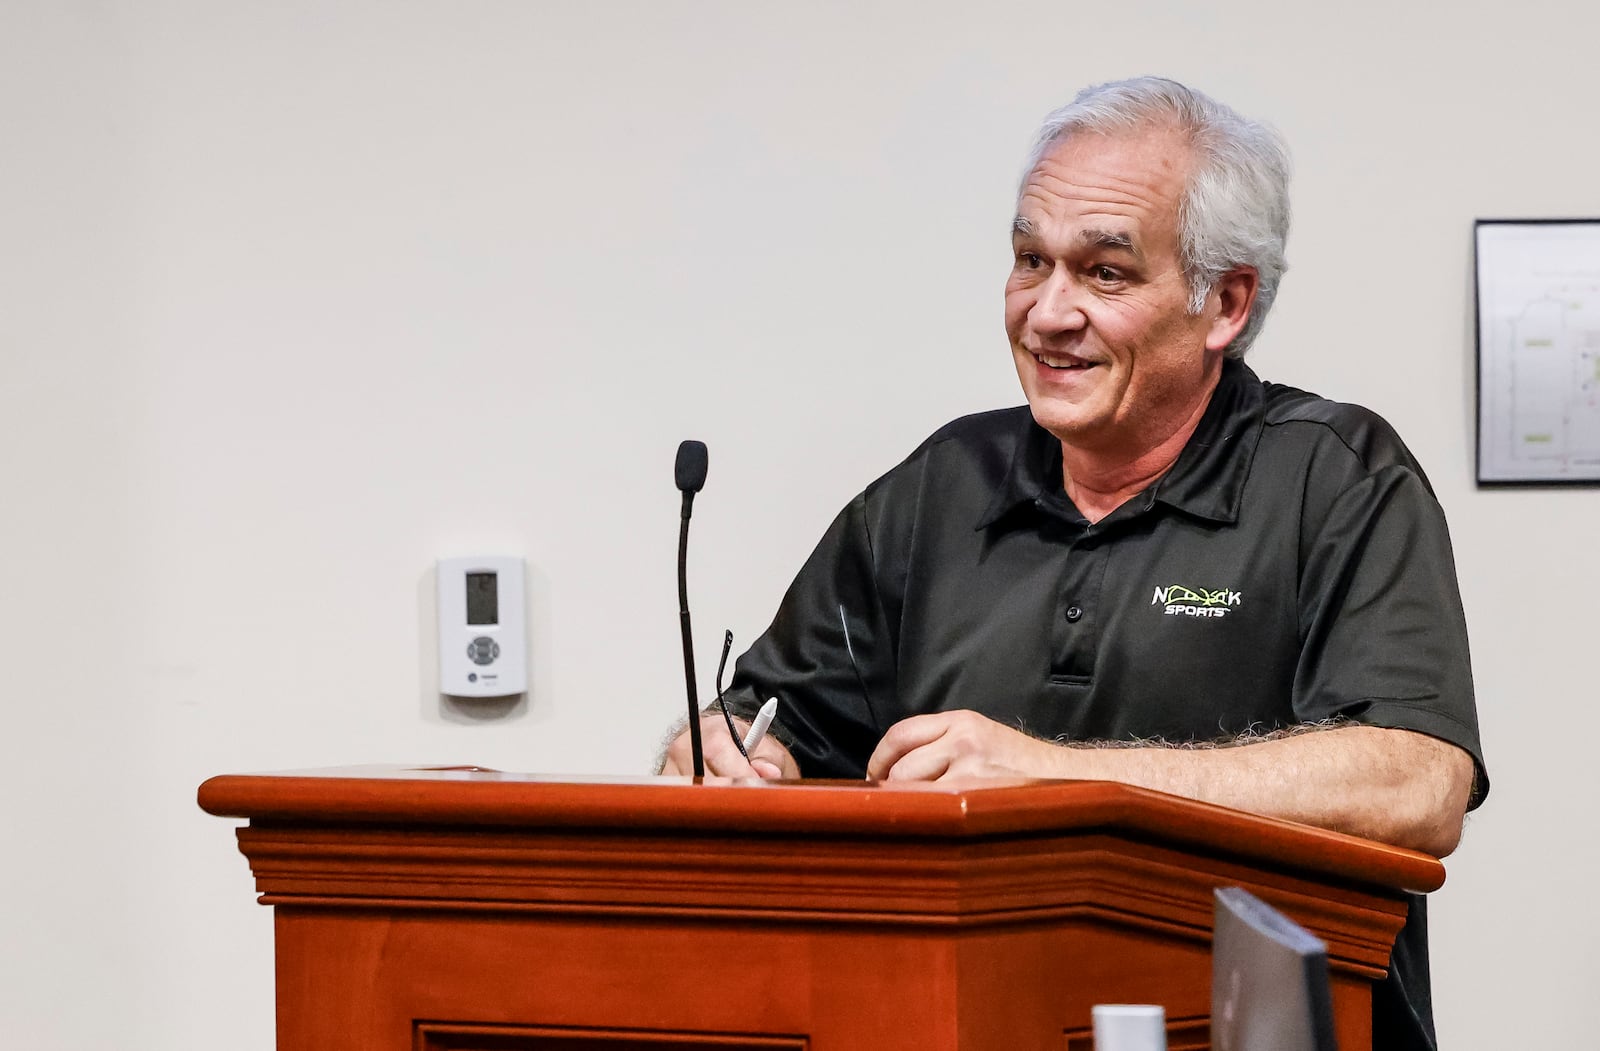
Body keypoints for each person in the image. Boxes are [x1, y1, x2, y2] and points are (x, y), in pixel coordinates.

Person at [661, 76, 1486, 1051]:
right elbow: (774, 724)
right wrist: (722, 751)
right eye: (1027, 261)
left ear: (1222, 303)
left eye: (1103, 273)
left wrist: (1053, 779)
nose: (1047, 313)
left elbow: (1414, 785)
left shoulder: (1337, 478)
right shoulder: (934, 488)